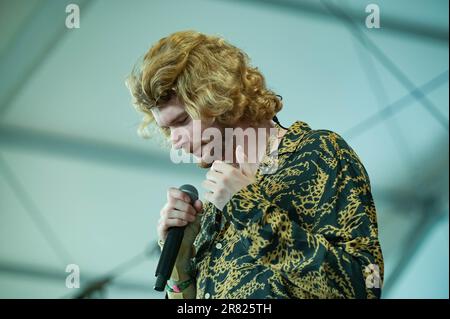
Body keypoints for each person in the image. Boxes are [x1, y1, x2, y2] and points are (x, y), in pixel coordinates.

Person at [126, 30, 384, 299]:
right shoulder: (215, 210)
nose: (176, 141)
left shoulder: (316, 153)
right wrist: (180, 264)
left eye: (181, 121)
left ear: (216, 96)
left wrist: (248, 208)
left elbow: (363, 287)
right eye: (168, 130)